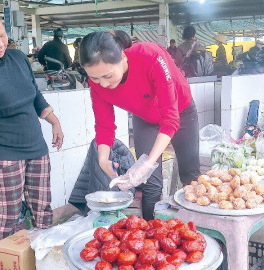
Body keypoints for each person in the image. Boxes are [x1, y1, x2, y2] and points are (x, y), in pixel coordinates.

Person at [0, 4, 64, 243]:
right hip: (3, 157)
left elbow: (34, 95)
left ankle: (42, 257)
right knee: (7, 216)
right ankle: (6, 262)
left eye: (2, 36)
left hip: (36, 148)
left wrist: (54, 121)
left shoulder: (18, 58)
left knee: (42, 210)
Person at [79, 30, 200, 220]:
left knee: (191, 177)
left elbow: (170, 118)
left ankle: (197, 232)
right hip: (145, 117)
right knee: (150, 183)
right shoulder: (98, 84)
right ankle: (149, 238)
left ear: (122, 56)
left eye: (108, 76)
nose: (102, 84)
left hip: (181, 111)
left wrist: (148, 163)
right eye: (94, 78)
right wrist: (103, 160)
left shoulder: (151, 56)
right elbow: (104, 126)